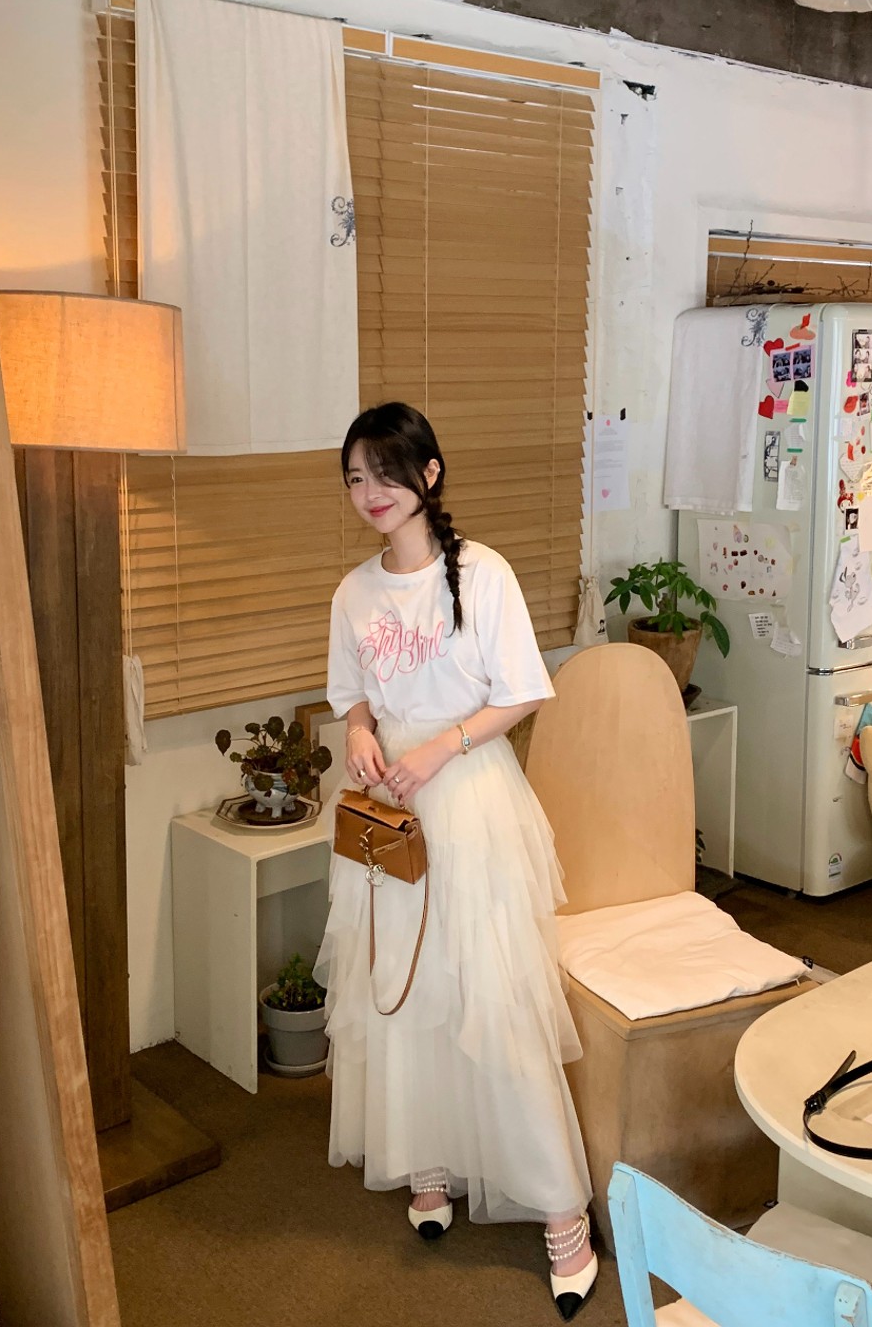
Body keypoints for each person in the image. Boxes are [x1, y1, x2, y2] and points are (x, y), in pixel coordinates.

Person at [314, 402, 596, 1320]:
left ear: (429, 475)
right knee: (402, 992)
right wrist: (361, 733)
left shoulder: (484, 573)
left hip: (469, 799)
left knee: (494, 997)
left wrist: (441, 746)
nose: (370, 493)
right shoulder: (353, 593)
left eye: (385, 473)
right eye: (355, 478)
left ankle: (562, 1213)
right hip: (387, 810)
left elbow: (522, 692)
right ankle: (427, 1164)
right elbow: (353, 697)